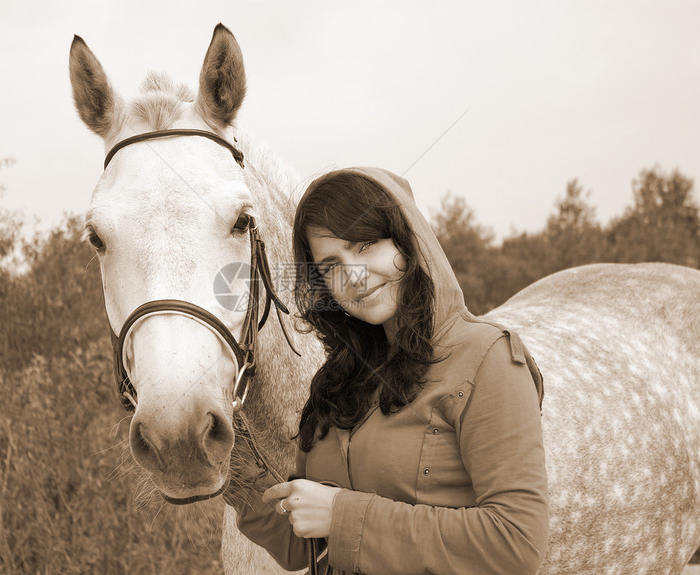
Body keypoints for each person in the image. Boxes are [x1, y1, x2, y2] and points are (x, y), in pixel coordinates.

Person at [226, 167, 549, 575]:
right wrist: (228, 459)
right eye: (330, 265)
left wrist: (341, 515)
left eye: (365, 246)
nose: (353, 278)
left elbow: (515, 544)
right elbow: (304, 546)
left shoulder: (487, 359)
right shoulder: (337, 382)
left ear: (409, 240)